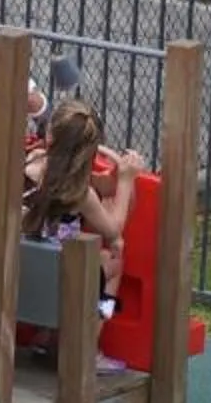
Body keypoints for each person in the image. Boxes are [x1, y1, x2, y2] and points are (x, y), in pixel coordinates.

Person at [24, 98, 147, 308]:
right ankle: (96, 322)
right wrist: (126, 180)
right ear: (90, 151)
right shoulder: (80, 194)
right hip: (58, 283)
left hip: (22, 269)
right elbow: (114, 230)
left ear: (50, 135)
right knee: (113, 259)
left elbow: (83, 179)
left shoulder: (30, 163)